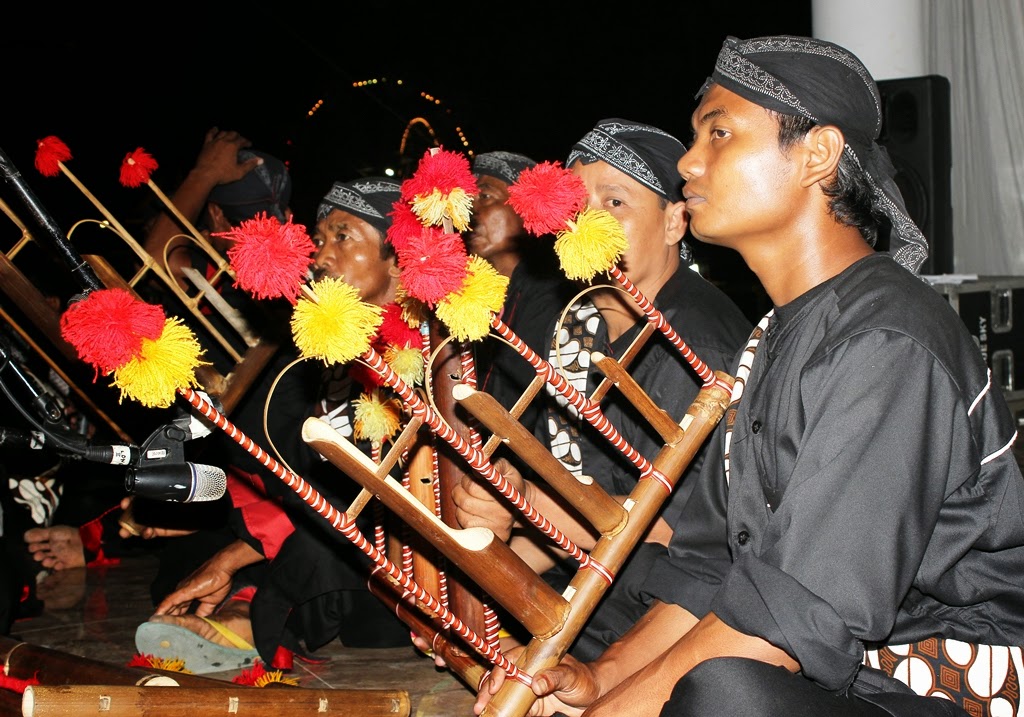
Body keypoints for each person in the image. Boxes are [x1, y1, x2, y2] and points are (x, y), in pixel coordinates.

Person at [473, 35, 1024, 717]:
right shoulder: (768, 341)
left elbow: (787, 621)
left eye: (719, 133)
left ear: (817, 154)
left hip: (934, 691)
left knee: (728, 694)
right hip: (830, 681)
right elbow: (709, 569)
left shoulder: (886, 340)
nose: (688, 161)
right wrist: (599, 681)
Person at [454, 121, 752, 662]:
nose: (586, 224)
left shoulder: (694, 338)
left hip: (676, 610)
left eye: (614, 202)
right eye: (576, 207)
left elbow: (682, 537)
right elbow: (574, 511)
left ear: (674, 222)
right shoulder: (580, 322)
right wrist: (492, 590)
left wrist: (522, 505)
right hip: (597, 577)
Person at [135, 177, 413, 673]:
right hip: (339, 543)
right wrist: (231, 556)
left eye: (343, 237)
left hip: (404, 565)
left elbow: (373, 497)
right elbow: (311, 483)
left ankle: (250, 616)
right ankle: (247, 601)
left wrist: (237, 563)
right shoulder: (330, 351)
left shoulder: (425, 346)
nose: (321, 256)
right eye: (320, 239)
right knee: (199, 549)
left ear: (398, 258)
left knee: (341, 530)